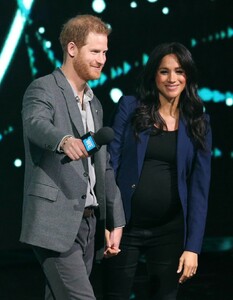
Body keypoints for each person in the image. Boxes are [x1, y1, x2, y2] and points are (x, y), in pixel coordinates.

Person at [20, 14, 125, 300]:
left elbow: (104, 169)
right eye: (95, 51)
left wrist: (114, 220)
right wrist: (63, 140)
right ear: (72, 49)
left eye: (104, 52)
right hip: (54, 223)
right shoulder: (43, 88)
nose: (102, 59)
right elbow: (36, 124)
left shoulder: (95, 103)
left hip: (89, 222)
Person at [103, 42, 212, 299]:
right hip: (124, 227)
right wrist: (110, 220)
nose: (172, 78)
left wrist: (193, 247)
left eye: (179, 71)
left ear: (188, 75)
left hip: (169, 230)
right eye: (164, 71)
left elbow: (200, 189)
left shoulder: (199, 121)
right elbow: (110, 164)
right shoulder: (130, 107)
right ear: (154, 74)